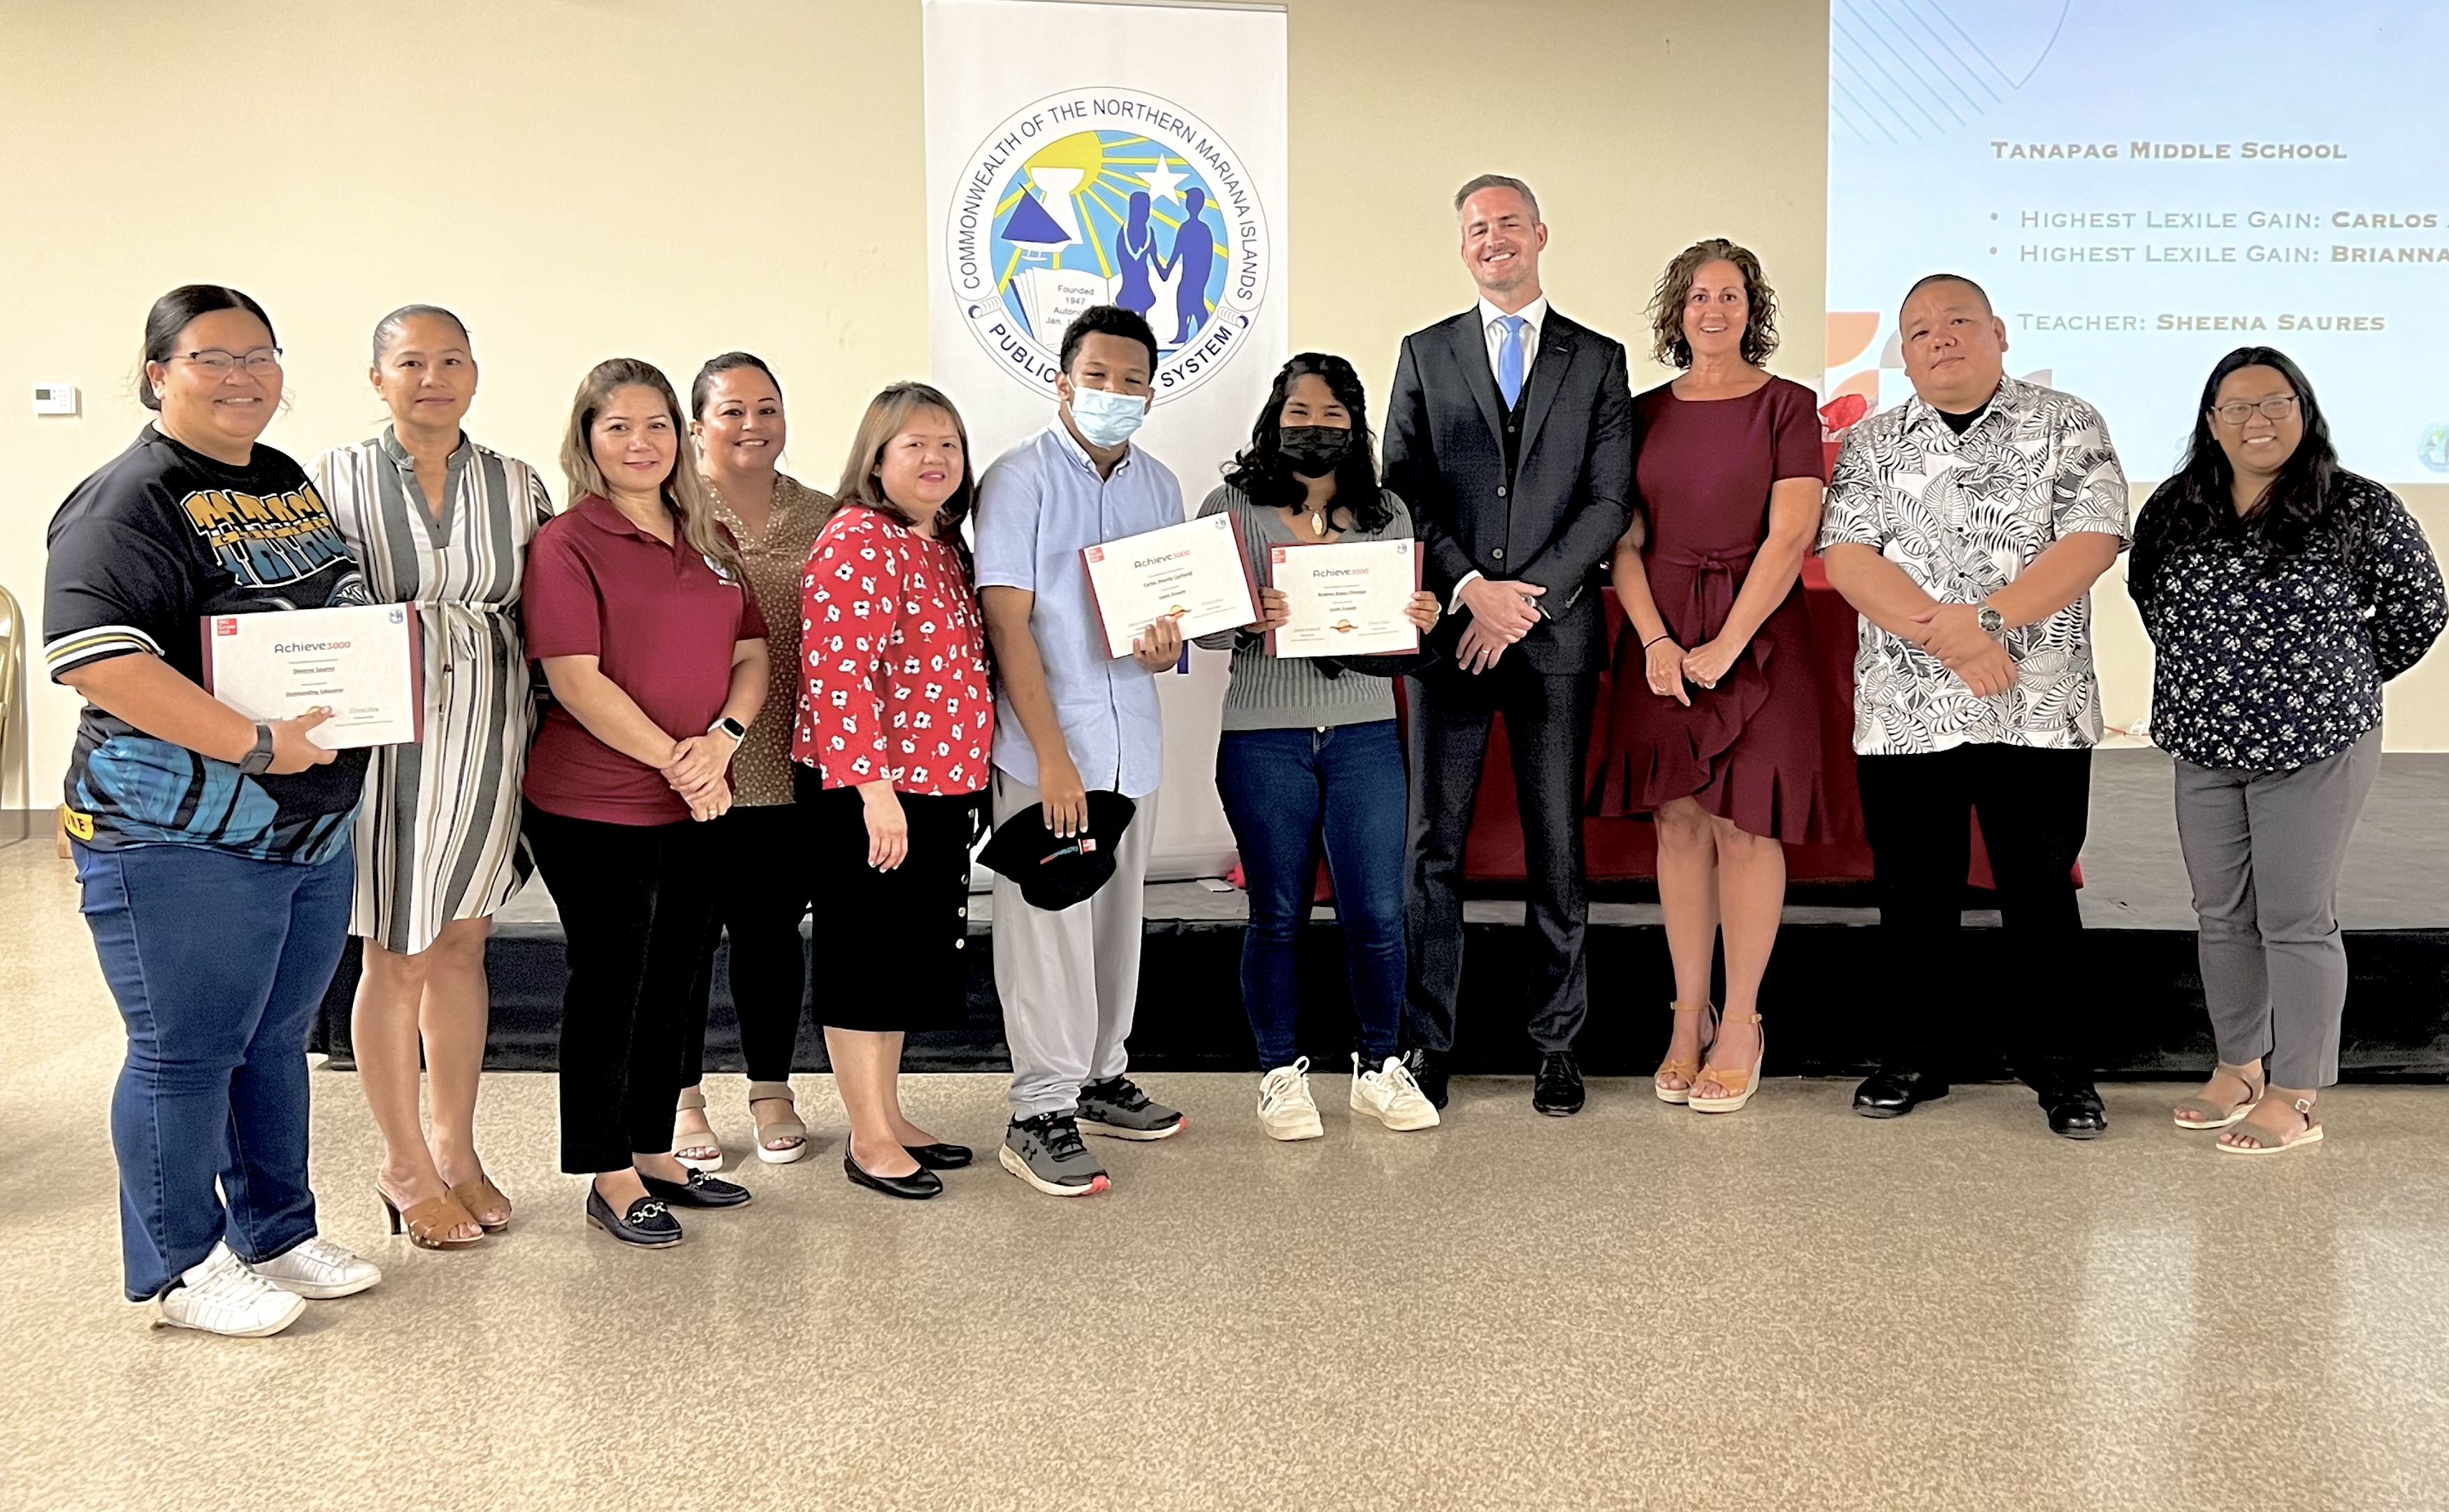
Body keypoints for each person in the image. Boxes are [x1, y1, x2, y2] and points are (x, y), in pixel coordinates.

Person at [45, 284, 381, 1335]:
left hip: (307, 825)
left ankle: (276, 1231)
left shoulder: (277, 478)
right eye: (212, 358)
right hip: (177, 835)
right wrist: (258, 744)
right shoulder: (125, 500)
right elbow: (98, 661)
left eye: (260, 356)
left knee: (273, 1039)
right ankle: (180, 1268)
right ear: (159, 374)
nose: (243, 377)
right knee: (184, 1051)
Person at [1819, 273, 2129, 1140]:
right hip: (1907, 707)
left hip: (2036, 703)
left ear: (1999, 332)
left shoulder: (2067, 422)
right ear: (1905, 355)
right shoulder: (1872, 443)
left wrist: (1986, 622)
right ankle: (1913, 1057)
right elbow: (1848, 558)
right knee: (1913, 891)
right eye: (1920, 330)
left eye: (1958, 320)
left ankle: (2061, 1071)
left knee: (2039, 890)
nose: (1940, 337)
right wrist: (1952, 639)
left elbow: (2093, 539)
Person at [2132, 348, 2444, 1153]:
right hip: (2204, 738)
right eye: (2236, 407)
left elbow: (2418, 606)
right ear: (2212, 422)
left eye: (2275, 402)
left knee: (2296, 917)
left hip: (2317, 740)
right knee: (2220, 914)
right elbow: (2150, 595)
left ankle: (2297, 1091)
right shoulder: (2176, 505)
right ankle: (2239, 1067)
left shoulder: (2356, 506)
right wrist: (2211, 674)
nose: (2257, 420)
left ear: (2304, 411)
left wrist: (2338, 678)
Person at [1382, 173, 1634, 1116]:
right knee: (1432, 848)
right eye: (1478, 228)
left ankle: (1557, 1044)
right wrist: (1470, 591)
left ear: (1540, 234)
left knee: (1556, 846)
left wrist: (1525, 602)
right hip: (1451, 635)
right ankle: (1427, 1040)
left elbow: (1609, 500)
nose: (1495, 239)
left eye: (1510, 223)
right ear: (1463, 247)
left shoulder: (1598, 359)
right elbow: (1402, 488)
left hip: (1554, 637)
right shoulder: (1424, 352)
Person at [313, 305, 551, 1247]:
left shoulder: (516, 482)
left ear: (475, 373)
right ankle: (403, 1162)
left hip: (492, 727)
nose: (433, 379)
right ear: (377, 378)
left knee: (463, 942)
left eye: (452, 360)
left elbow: (546, 608)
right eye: (411, 362)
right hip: (388, 736)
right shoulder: (332, 478)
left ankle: (457, 1145)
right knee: (395, 949)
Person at [522, 358, 768, 1245]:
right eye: (618, 426)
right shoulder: (567, 543)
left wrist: (722, 743)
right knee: (612, 983)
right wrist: (678, 760)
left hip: (697, 799)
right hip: (594, 804)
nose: (640, 442)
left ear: (680, 435)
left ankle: (656, 1149)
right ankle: (608, 1171)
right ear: (586, 438)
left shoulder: (709, 537)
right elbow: (576, 680)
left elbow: (752, 654)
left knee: (677, 979)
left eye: (657, 424)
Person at [1593, 240, 1828, 1114]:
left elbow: (1791, 535)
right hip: (1660, 633)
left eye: (1731, 295)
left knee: (1747, 826)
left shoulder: (1788, 404)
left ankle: (1742, 1023)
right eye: (1699, 295)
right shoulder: (1641, 411)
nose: (1714, 309)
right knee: (1680, 822)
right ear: (1677, 311)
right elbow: (1623, 540)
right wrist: (1655, 640)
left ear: (1752, 309)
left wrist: (1728, 644)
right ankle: (1686, 1018)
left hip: (1757, 635)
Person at [1192, 354, 1445, 1140]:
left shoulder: (1386, 512)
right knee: (1277, 913)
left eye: (1332, 415)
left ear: (1354, 425)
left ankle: (1380, 1067)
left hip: (1365, 734)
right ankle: (1279, 1074)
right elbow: (1200, 630)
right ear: (1274, 419)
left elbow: (1395, 641)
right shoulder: (1230, 506)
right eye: (1298, 413)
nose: (1314, 428)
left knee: (1378, 912)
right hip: (1262, 737)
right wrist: (1245, 618)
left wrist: (1420, 620)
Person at [974, 304, 1190, 1196]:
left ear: (1151, 392)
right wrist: (1052, 756)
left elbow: (1169, 623)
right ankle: (1037, 1112)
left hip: (1131, 748)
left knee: (1112, 926)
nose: (1113, 391)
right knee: (1048, 933)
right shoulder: (1018, 479)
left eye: (1131, 380)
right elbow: (1008, 624)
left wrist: (1168, 647)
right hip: (1046, 753)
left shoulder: (1161, 487)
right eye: (1096, 375)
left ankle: (1100, 1078)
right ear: (1062, 382)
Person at [794, 382, 994, 1198]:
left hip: (937, 788)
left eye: (949, 443)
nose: (936, 458)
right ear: (876, 458)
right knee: (865, 958)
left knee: (903, 960)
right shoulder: (860, 538)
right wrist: (874, 794)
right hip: (875, 792)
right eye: (915, 443)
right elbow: (838, 674)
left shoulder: (941, 542)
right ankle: (868, 1136)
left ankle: (888, 1113)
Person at [670, 353, 835, 1170]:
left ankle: (773, 1087)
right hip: (685, 765)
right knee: (682, 941)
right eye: (732, 410)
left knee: (771, 934)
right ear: (696, 426)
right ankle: (681, 1097)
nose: (752, 425)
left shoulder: (824, 514)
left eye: (767, 408)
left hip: (787, 762)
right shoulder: (663, 510)